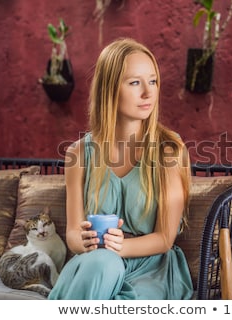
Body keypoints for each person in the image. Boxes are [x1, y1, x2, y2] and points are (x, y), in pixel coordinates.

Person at [48, 38, 193, 300]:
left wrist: (120, 246)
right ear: (110, 89)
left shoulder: (170, 150)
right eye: (135, 83)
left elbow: (164, 238)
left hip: (152, 267)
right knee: (103, 263)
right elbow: (72, 233)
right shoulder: (78, 154)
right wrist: (85, 241)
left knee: (109, 268)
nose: (148, 93)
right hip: (96, 264)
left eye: (153, 81)